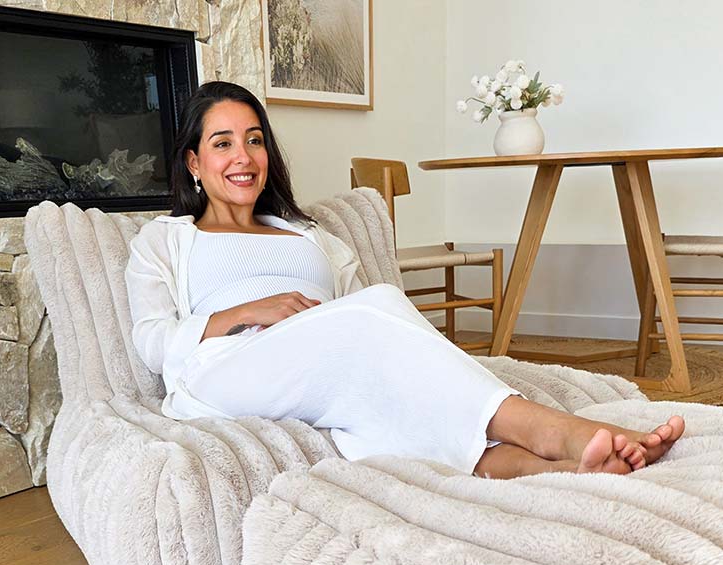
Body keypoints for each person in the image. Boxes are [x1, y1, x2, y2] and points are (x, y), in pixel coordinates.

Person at [125, 81, 684, 479]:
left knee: (389, 377)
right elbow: (151, 342)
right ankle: (550, 429)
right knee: (383, 302)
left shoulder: (310, 236)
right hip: (227, 369)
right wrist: (247, 312)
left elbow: (376, 336)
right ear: (194, 163)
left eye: (254, 139)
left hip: (326, 362)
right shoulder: (167, 240)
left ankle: (543, 469)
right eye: (222, 143)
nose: (243, 156)